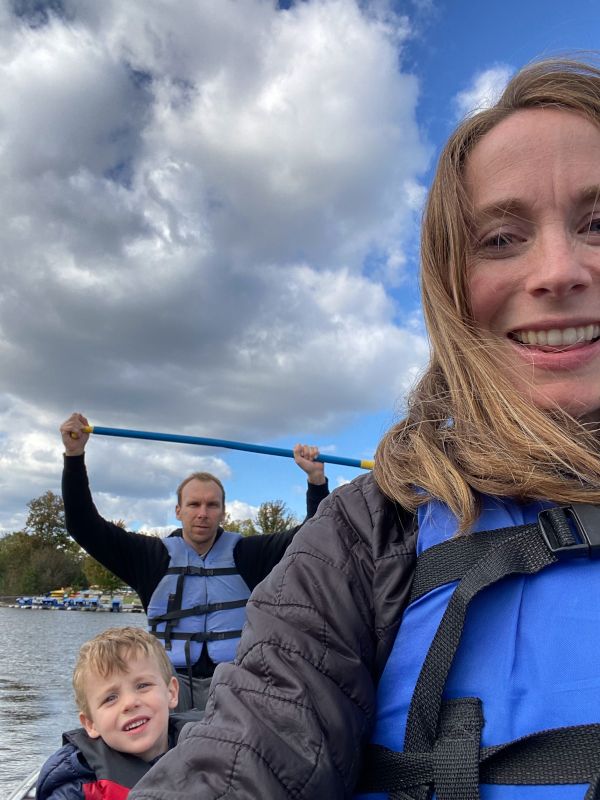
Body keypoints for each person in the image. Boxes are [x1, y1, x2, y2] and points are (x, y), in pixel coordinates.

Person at [128, 56, 600, 800]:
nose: (558, 271)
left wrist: (313, 482)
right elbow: (259, 737)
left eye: (598, 223)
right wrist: (73, 463)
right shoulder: (363, 536)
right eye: (501, 239)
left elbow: (290, 535)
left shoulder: (249, 554)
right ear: (452, 287)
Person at [60, 412, 329, 709]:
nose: (203, 513)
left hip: (234, 679)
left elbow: (311, 535)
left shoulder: (248, 555)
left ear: (223, 513)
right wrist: (75, 456)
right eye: (194, 504)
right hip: (170, 683)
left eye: (212, 505)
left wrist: (316, 480)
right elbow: (83, 525)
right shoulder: (151, 557)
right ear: (178, 510)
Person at [36, 627, 202, 800]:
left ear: (171, 693)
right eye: (110, 698)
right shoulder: (75, 789)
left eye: (143, 685)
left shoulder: (210, 751)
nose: (130, 703)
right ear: (90, 724)